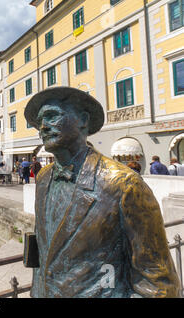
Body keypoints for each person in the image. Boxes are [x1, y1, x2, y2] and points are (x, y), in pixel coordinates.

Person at [23, 86, 180, 298]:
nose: (42, 127)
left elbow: (158, 283)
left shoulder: (123, 184)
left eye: (52, 116)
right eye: (39, 122)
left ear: (83, 120)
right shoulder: (43, 179)